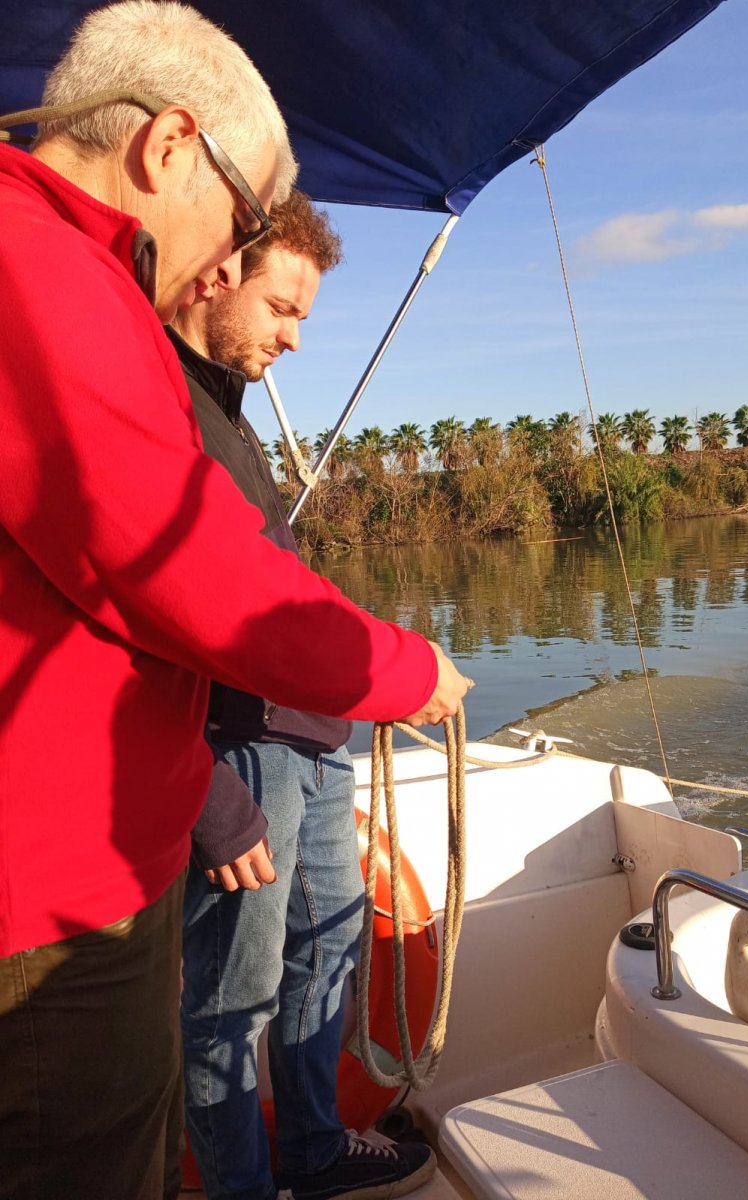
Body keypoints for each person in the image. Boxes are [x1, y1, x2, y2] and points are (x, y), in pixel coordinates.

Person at [0, 5, 468, 1198]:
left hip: (94, 859)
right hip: (50, 892)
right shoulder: (38, 264)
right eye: (248, 219)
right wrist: (408, 671)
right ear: (168, 147)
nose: (228, 255)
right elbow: (181, 568)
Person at [169, 191, 435, 1200]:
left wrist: (375, 676)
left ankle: (315, 1151)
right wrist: (211, 803)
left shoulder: (231, 417)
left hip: (315, 745)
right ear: (219, 272)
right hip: (242, 755)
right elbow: (145, 643)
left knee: (325, 957)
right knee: (230, 1008)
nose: (293, 336)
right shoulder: (164, 409)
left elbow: (278, 592)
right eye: (283, 308)